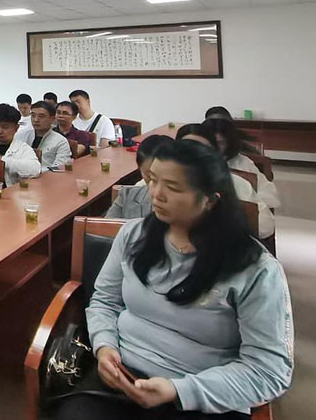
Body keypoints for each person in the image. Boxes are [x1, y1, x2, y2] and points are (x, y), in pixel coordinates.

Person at [56, 140, 293, 420]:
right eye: (152, 180)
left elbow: (268, 370)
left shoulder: (255, 268)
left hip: (204, 393)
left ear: (210, 199)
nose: (156, 194)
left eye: (173, 187)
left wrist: (178, 390)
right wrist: (105, 346)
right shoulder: (134, 235)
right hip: (122, 377)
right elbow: (105, 301)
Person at [200, 119, 280, 212]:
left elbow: (271, 197)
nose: (214, 148)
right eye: (210, 143)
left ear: (229, 143)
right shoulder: (193, 161)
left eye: (220, 143)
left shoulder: (243, 163)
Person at [105, 135, 175, 218]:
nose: (158, 191)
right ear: (139, 169)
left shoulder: (184, 205)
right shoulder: (126, 197)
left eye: (167, 179)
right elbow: (106, 225)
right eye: (151, 177)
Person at [0, 103, 41, 184]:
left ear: (16, 128)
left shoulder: (23, 149)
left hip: (8, 190)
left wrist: (1, 159)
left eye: (5, 127)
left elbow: (35, 169)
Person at [30, 101, 72, 170]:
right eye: (33, 116)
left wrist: (34, 171)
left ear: (52, 119)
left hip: (46, 175)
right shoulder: (21, 135)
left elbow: (59, 167)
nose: (36, 120)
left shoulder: (61, 141)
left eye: (41, 116)